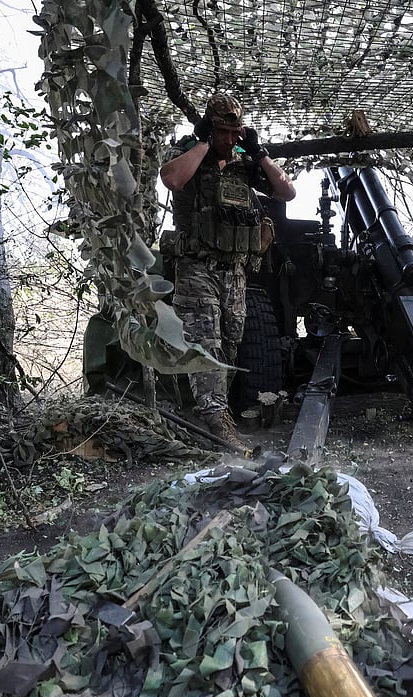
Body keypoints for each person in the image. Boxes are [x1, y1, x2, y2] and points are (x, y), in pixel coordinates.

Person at [159, 93, 297, 444]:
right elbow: (172, 180)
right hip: (197, 268)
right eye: (224, 132)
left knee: (231, 346)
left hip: (234, 272)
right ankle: (217, 424)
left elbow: (287, 192)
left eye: (236, 133)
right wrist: (204, 143)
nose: (230, 139)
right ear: (210, 128)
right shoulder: (189, 153)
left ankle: (209, 415)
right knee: (206, 343)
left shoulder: (243, 163)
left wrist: (259, 152)